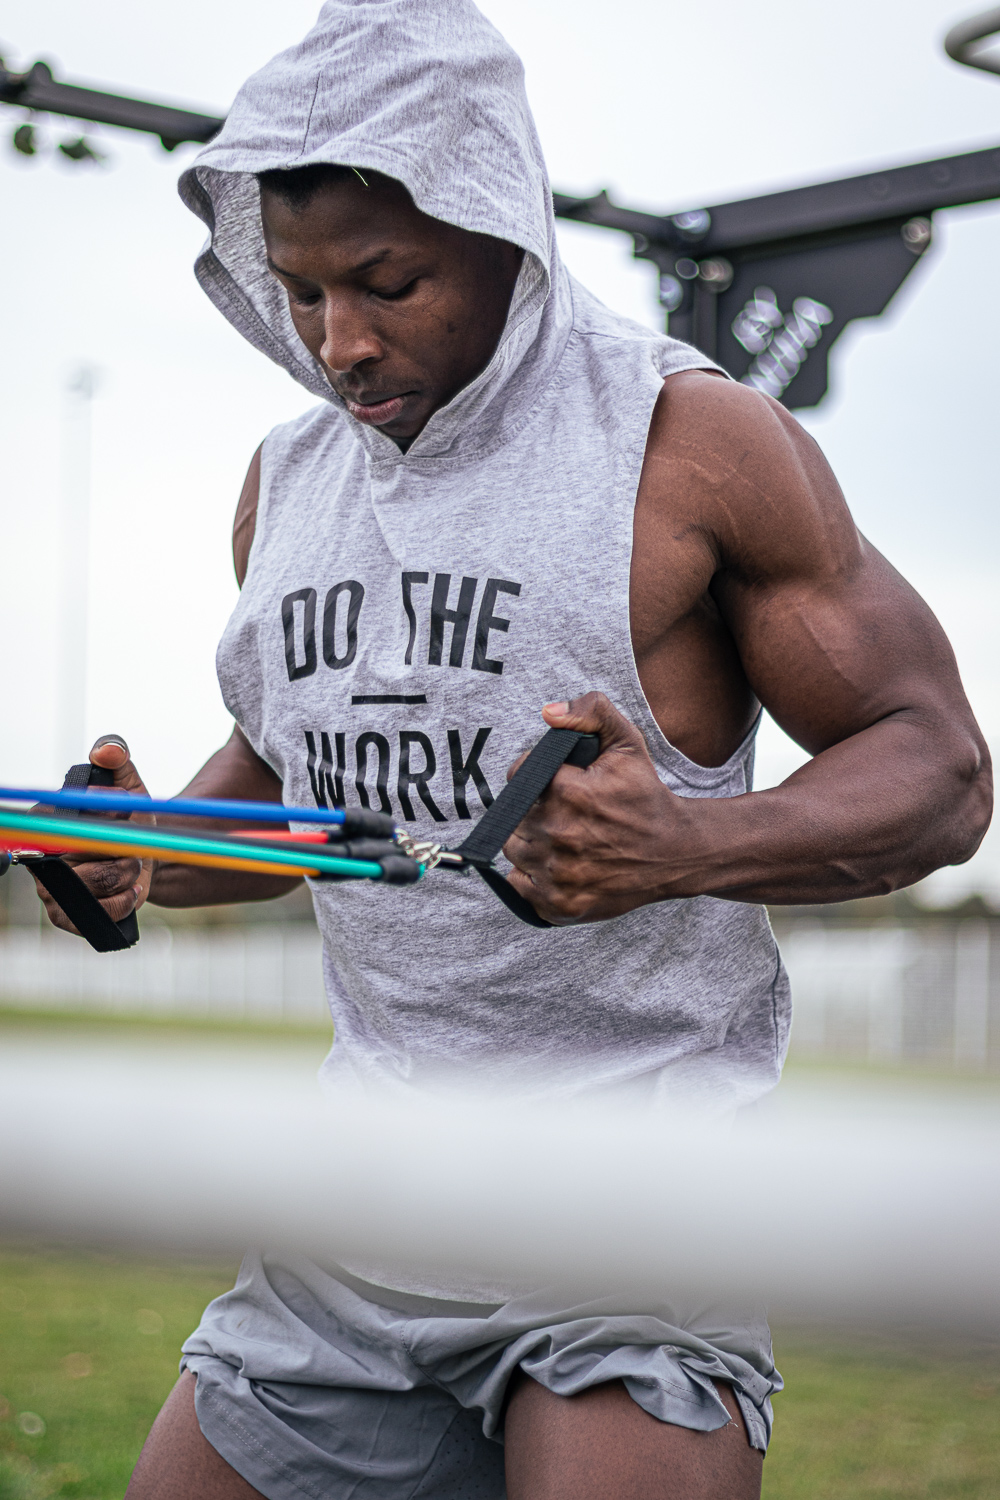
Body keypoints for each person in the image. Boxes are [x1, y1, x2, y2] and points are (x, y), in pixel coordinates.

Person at [35, 2, 991, 1496]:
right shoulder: (285, 484)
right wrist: (141, 852)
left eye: (387, 281)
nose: (341, 343)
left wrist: (687, 844)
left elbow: (940, 766)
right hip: (361, 1215)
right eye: (298, 294)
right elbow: (290, 803)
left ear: (502, 228)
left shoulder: (691, 441)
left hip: (634, 1217)